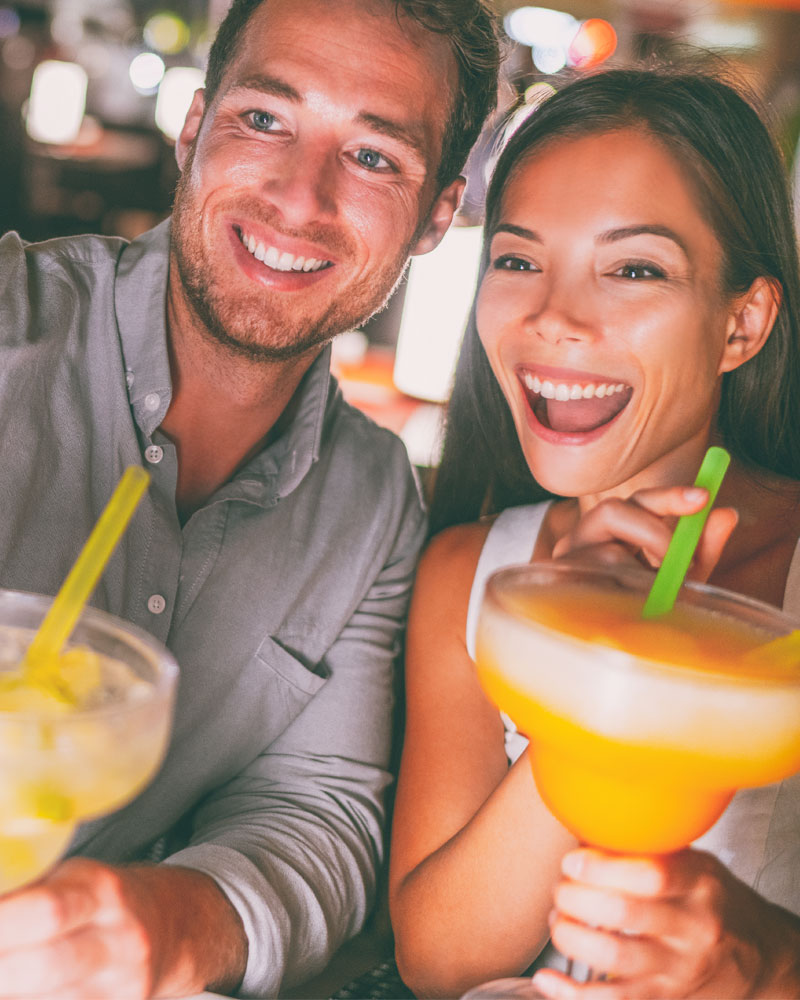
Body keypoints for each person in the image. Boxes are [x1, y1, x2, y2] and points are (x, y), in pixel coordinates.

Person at [0, 0, 502, 996]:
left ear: (438, 215)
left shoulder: (371, 505)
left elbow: (312, 808)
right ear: (195, 129)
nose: (297, 197)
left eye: (372, 158)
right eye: (264, 119)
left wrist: (176, 924)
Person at [390, 67, 800, 999]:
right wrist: (595, 660)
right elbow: (443, 960)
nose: (553, 318)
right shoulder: (468, 574)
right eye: (519, 259)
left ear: (743, 323)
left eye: (635, 269)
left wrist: (771, 959)